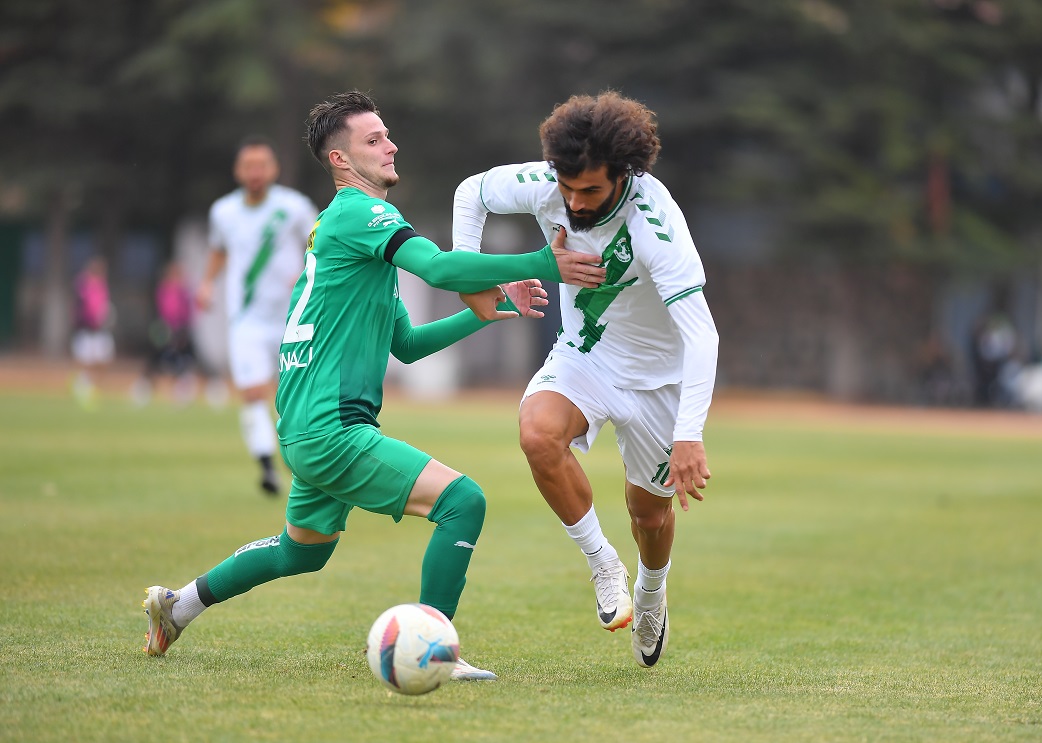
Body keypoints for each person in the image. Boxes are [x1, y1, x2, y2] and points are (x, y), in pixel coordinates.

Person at [142, 90, 607, 681]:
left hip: (312, 422)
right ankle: (437, 648)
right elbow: (439, 268)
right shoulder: (362, 213)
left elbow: (405, 345)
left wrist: (487, 311)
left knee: (302, 551)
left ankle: (176, 606)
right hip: (332, 425)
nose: (391, 146)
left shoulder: (352, 237)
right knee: (463, 502)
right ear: (340, 161)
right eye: (373, 139)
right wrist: (541, 262)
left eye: (387, 135)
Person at [451, 91, 720, 668]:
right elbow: (470, 191)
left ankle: (650, 593)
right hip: (585, 356)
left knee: (649, 515)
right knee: (536, 433)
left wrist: (689, 434)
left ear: (624, 176)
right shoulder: (548, 183)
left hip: (658, 381)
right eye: (566, 187)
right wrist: (469, 276)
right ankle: (602, 563)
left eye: (590, 191)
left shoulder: (656, 223)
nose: (573, 202)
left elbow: (703, 336)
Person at [195, 136, 319, 496]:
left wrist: (312, 275)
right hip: (245, 320)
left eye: (261, 165)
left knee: (293, 396)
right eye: (248, 166)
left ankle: (300, 464)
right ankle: (266, 466)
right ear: (238, 171)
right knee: (252, 392)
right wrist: (206, 284)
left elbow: (319, 243)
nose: (255, 173)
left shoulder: (294, 207)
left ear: (274, 169)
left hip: (291, 318)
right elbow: (219, 251)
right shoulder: (223, 212)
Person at [131, 261, 198, 406]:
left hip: (180, 331)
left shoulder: (184, 291)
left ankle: (180, 392)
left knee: (183, 362)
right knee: (156, 361)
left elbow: (187, 312)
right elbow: (162, 310)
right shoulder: (163, 290)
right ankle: (144, 388)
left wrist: (184, 329)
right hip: (164, 331)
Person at [70, 255, 115, 409]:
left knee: (104, 360)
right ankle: (83, 387)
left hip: (100, 330)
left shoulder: (102, 286)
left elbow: (103, 306)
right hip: (86, 329)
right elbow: (83, 308)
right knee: (86, 361)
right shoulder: (83, 285)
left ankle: (89, 386)